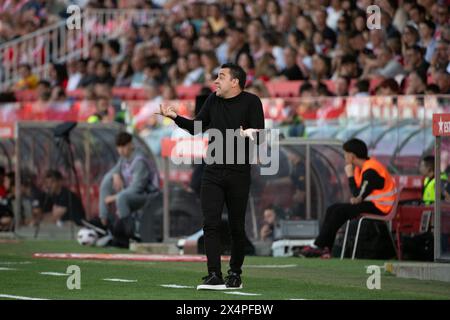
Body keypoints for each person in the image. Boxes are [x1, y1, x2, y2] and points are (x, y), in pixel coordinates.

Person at [157, 63, 265, 290]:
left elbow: (261, 141)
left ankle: (235, 274)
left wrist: (250, 134)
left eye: (221, 77)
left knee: (237, 226)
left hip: (238, 172)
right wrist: (175, 116)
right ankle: (214, 274)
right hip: (213, 170)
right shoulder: (213, 100)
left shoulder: (252, 102)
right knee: (210, 224)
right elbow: (197, 127)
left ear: (235, 82)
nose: (216, 81)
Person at [300, 138, 397, 258]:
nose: (345, 157)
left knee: (339, 211)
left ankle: (320, 246)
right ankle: (324, 247)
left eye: (346, 154)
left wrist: (350, 176)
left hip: (381, 207)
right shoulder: (361, 167)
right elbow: (358, 195)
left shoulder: (371, 170)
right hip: (371, 204)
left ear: (351, 156)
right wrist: (356, 197)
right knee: (333, 208)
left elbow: (357, 195)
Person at [99, 132, 159, 230]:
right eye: (119, 147)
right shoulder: (124, 158)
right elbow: (115, 170)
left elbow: (137, 188)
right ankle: (103, 221)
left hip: (149, 195)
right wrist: (115, 174)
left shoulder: (140, 160)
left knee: (122, 198)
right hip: (136, 194)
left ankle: (128, 233)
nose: (121, 150)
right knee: (107, 180)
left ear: (131, 144)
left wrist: (114, 197)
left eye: (124, 146)